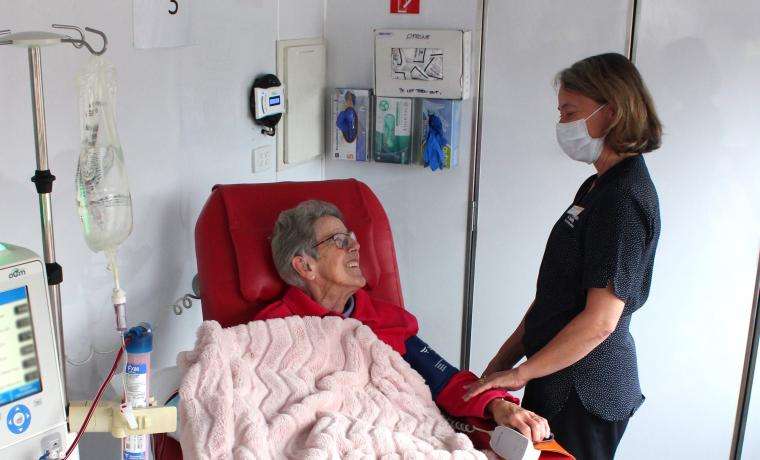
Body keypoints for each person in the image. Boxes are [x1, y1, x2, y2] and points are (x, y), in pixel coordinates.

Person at [463, 53, 662, 459]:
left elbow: (600, 322)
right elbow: (552, 297)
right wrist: (499, 367)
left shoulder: (623, 200)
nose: (562, 125)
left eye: (570, 112)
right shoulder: (596, 188)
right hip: (554, 376)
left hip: (586, 391)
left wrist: (517, 374)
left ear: (612, 112)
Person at [256, 199, 551, 443]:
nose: (356, 247)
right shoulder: (270, 329)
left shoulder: (384, 319)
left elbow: (444, 378)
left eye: (354, 239)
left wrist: (496, 404)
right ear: (305, 265)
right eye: (340, 241)